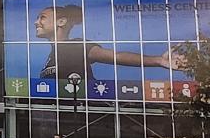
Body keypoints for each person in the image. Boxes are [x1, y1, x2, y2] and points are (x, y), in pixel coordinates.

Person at [34, 5, 184, 83]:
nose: (36, 22)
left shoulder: (76, 46)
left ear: (61, 22)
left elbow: (116, 57)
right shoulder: (52, 54)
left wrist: (158, 60)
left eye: (42, 17)